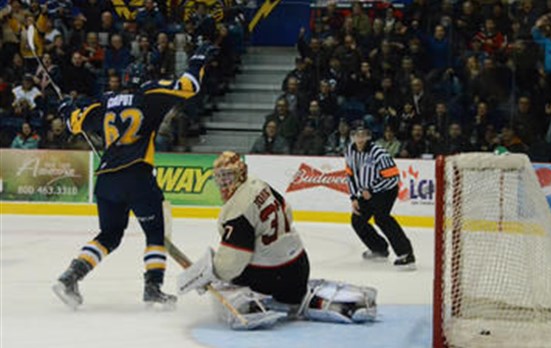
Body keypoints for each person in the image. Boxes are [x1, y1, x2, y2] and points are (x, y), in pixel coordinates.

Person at [52, 43, 220, 309]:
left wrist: (65, 107)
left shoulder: (103, 103)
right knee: (155, 233)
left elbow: (73, 122)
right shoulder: (149, 95)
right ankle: (153, 288)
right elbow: (189, 87)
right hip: (138, 177)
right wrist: (197, 61)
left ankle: (70, 277)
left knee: (109, 235)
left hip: (106, 180)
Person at [177, 152, 378, 329]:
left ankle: (249, 303)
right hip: (299, 266)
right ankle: (308, 298)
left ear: (241, 173)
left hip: (268, 279)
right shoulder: (260, 185)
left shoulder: (236, 209)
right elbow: (287, 213)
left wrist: (209, 275)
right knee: (289, 286)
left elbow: (232, 263)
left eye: (229, 176)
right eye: (220, 177)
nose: (224, 183)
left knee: (225, 278)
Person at [344, 126, 416, 268]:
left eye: (362, 135)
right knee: (357, 220)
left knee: (382, 218)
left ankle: (406, 254)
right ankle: (379, 248)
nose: (359, 138)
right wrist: (353, 197)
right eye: (356, 135)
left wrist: (372, 189)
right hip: (366, 192)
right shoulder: (349, 151)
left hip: (385, 191)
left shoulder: (379, 153)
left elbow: (393, 177)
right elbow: (350, 175)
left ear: (368, 136)